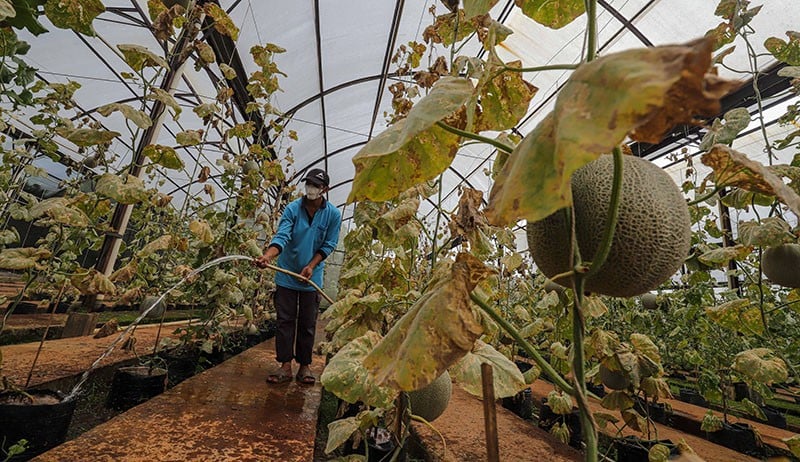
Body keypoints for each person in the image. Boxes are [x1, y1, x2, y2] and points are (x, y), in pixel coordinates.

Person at [254, 168, 341, 384]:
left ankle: (305, 366)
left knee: (307, 323)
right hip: (287, 275)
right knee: (285, 321)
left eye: (316, 186)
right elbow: (282, 235)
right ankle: (285, 366)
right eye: (309, 184)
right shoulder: (293, 209)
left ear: (325, 189)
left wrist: (311, 266)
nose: (311, 188)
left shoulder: (333, 215)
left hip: (312, 278)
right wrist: (268, 256)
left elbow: (329, 244)